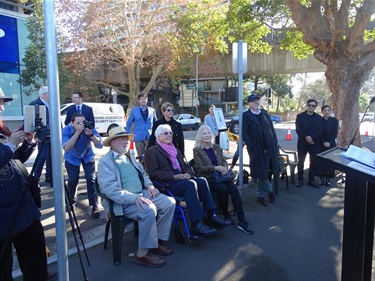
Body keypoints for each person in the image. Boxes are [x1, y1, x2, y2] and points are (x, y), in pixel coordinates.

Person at [97, 125, 175, 268]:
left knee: (169, 202)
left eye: (127, 139)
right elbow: (111, 191)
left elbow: (143, 174)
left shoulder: (129, 156)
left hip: (142, 194)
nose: (126, 142)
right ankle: (142, 254)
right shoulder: (105, 163)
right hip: (123, 202)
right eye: (122, 139)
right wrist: (134, 198)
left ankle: (156, 241)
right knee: (149, 210)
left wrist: (150, 186)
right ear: (112, 142)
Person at [0, 91, 56, 281]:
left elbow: (15, 161)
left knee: (35, 260)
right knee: (3, 267)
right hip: (3, 214)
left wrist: (27, 144)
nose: (2, 107)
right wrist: (9, 146)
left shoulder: (2, 129)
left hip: (23, 208)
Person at [145, 124, 231, 238]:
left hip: (182, 179)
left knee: (202, 180)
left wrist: (187, 174)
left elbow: (185, 166)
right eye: (166, 133)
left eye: (170, 132)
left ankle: (212, 216)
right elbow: (154, 173)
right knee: (191, 185)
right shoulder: (152, 151)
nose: (169, 135)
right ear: (158, 136)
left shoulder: (175, 149)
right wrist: (175, 176)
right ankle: (196, 225)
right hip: (168, 183)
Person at [193, 125, 254, 234]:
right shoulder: (197, 150)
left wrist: (225, 168)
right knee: (223, 189)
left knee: (234, 190)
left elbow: (223, 161)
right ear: (200, 136)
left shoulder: (216, 147)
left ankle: (242, 221)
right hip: (210, 178)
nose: (207, 135)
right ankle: (225, 213)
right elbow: (199, 167)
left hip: (222, 176)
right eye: (204, 133)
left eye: (208, 133)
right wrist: (215, 168)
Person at [62, 113, 103, 219]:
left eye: (83, 122)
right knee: (73, 180)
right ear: (71, 123)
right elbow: (66, 147)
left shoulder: (89, 128)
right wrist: (77, 133)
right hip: (72, 157)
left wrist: (91, 135)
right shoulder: (66, 130)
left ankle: (94, 205)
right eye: (78, 123)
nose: (81, 125)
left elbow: (100, 145)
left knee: (91, 179)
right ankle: (71, 201)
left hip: (87, 156)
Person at [242, 93, 278, 207]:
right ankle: (270, 190)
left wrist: (274, 142)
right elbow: (244, 133)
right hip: (256, 148)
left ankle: (260, 195)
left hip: (268, 147)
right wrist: (251, 144)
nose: (257, 102)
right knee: (260, 171)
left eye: (257, 100)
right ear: (249, 103)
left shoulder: (264, 113)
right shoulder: (246, 116)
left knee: (264, 171)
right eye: (254, 101)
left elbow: (271, 129)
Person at [295, 99, 323, 188]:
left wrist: (312, 138)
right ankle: (300, 179)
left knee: (313, 162)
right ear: (307, 105)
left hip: (315, 143)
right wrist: (306, 137)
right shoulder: (300, 116)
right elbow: (298, 129)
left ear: (315, 107)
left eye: (313, 106)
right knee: (301, 162)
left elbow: (320, 130)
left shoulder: (319, 118)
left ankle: (311, 180)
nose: (311, 107)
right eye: (309, 105)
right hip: (302, 143)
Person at [29, 85, 51, 184]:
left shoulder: (52, 104)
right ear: (44, 94)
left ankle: (49, 176)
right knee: (41, 157)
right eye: (49, 93)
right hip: (42, 136)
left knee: (51, 157)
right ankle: (35, 178)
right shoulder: (34, 104)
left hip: (52, 135)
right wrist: (36, 136)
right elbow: (30, 122)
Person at [318, 105, 338, 186]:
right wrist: (324, 142)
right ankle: (321, 177)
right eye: (325, 110)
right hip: (321, 144)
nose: (326, 112)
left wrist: (329, 142)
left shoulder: (334, 120)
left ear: (330, 111)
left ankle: (328, 178)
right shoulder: (319, 120)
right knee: (321, 161)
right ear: (322, 111)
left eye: (328, 110)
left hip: (331, 144)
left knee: (330, 161)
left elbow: (335, 132)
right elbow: (319, 133)